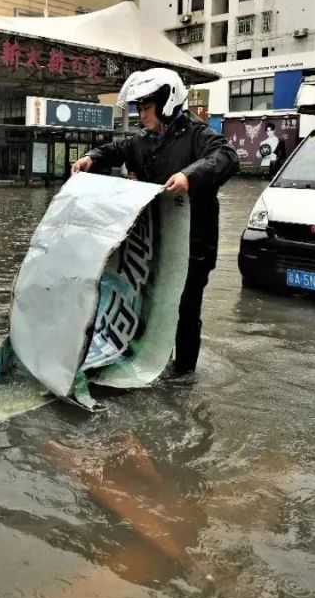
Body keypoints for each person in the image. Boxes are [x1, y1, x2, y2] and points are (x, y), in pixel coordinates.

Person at [71, 68, 239, 375]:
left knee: (186, 310)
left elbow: (227, 156)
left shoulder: (197, 135)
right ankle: (147, 362)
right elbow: (115, 150)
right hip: (154, 246)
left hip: (193, 246)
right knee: (150, 305)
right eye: (138, 108)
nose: (141, 115)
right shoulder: (144, 140)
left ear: (166, 104)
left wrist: (189, 176)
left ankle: (183, 374)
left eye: (146, 108)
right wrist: (91, 159)